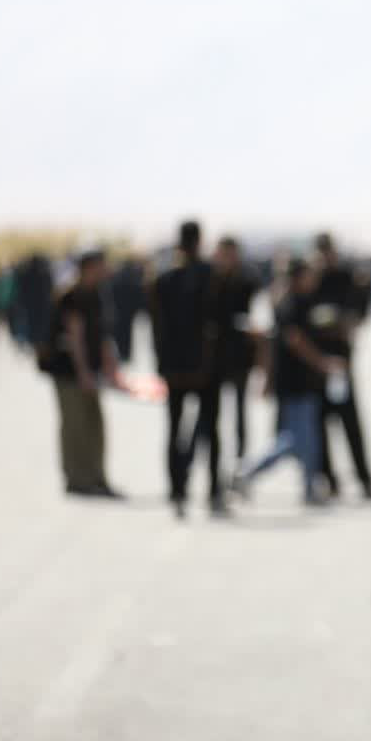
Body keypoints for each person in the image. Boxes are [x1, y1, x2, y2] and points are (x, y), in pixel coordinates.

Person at [232, 258, 344, 505]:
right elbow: (293, 340)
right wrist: (322, 362)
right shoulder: (292, 304)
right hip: (295, 383)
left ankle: (310, 487)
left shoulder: (293, 301)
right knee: (293, 440)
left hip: (301, 381)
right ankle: (248, 473)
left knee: (308, 438)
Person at [148, 221, 222, 518]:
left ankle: (177, 490)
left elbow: (156, 327)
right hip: (204, 367)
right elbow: (215, 323)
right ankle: (212, 490)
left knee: (175, 430)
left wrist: (162, 363)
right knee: (209, 431)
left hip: (175, 367)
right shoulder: (209, 275)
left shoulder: (163, 277)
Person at [39, 249, 124, 497]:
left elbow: (101, 335)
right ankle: (77, 478)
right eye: (101, 265)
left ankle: (96, 476)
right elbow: (75, 338)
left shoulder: (96, 293)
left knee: (94, 424)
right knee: (75, 425)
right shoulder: (71, 296)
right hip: (69, 371)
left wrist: (109, 366)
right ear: (88, 267)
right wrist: (84, 372)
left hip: (88, 370)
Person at [311, 233, 371, 500]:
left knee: (350, 420)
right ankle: (329, 479)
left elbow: (359, 312)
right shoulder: (311, 280)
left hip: (340, 361)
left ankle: (364, 478)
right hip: (316, 362)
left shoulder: (347, 278)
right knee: (320, 423)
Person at [210, 237, 259, 464]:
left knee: (240, 411)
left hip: (240, 355)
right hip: (216, 356)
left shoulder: (247, 279)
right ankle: (216, 460)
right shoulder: (212, 279)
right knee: (213, 413)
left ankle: (241, 459)